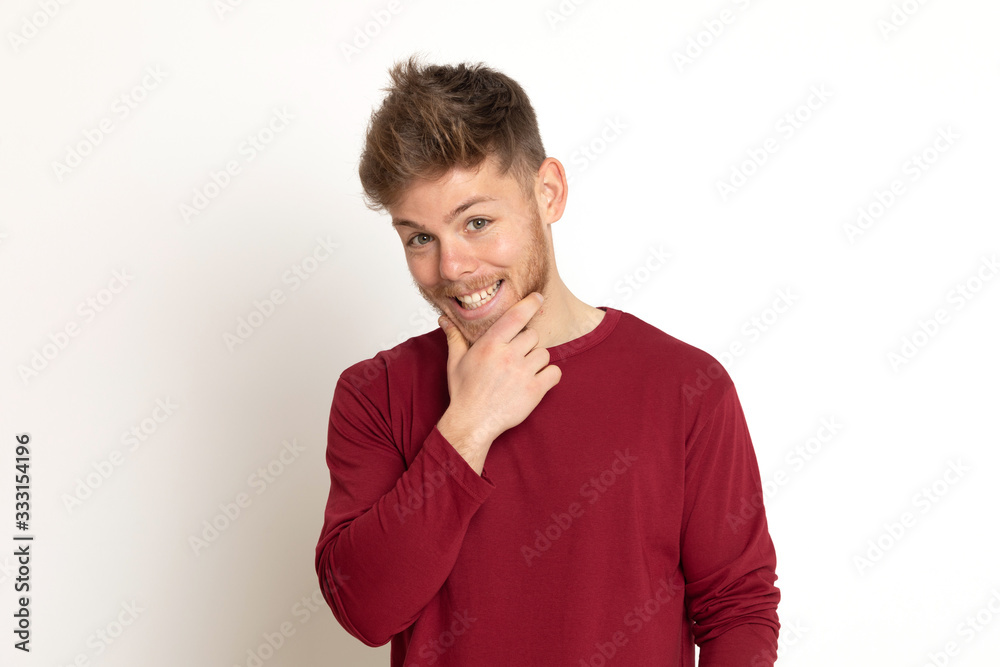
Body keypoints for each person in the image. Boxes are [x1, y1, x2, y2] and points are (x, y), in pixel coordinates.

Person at [315, 56, 780, 667]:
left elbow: (737, 610)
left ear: (549, 192)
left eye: (477, 222)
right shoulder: (375, 393)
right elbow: (366, 611)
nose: (451, 267)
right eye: (420, 238)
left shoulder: (686, 386)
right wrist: (468, 427)